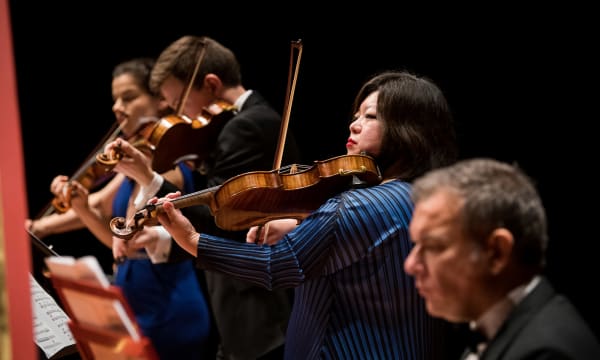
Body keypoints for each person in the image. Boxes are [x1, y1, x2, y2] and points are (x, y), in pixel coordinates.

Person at [135, 70, 462, 359]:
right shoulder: (430, 201)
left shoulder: (356, 205)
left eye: (371, 116)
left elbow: (276, 265)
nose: (354, 124)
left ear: (407, 127)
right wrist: (305, 223)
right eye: (356, 114)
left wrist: (191, 240)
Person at [108, 35, 300, 360]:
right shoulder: (239, 124)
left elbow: (220, 220)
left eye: (180, 102)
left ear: (211, 84)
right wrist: (156, 237)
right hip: (243, 311)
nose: (180, 115)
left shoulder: (246, 128)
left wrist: (148, 177)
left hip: (261, 313)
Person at [26, 58, 214, 359]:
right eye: (115, 98)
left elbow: (118, 233)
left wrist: (63, 217)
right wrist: (38, 227)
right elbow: (103, 211)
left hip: (167, 310)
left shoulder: (167, 169)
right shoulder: (134, 163)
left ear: (159, 101)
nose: (117, 106)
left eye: (128, 97)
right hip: (135, 305)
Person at [403, 158, 600, 359]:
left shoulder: (548, 353)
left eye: (434, 246)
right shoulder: (495, 329)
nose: (410, 265)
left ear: (497, 253)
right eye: (415, 245)